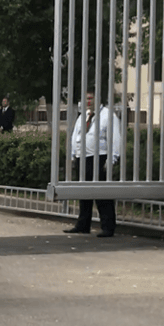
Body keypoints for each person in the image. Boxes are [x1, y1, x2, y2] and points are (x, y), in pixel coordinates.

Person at [64, 90, 123, 238]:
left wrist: (112, 159)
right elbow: (75, 136)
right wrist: (73, 155)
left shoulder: (108, 116)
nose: (88, 101)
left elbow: (115, 139)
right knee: (84, 193)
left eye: (90, 98)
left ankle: (108, 226)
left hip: (99, 158)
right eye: (86, 98)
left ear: (98, 99)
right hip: (82, 158)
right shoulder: (83, 116)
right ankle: (83, 225)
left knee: (102, 193)